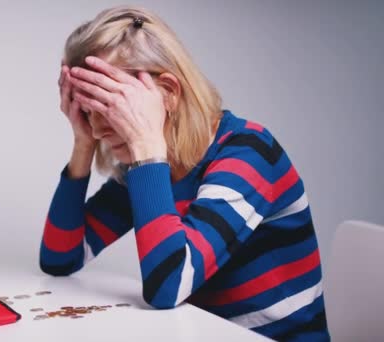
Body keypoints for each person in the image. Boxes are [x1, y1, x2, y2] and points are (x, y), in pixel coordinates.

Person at [39, 5, 329, 341]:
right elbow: (61, 258)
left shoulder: (249, 153)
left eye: (113, 105)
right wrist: (82, 144)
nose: (99, 128)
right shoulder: (148, 170)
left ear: (169, 93)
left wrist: (146, 147)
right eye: (89, 112)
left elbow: (169, 285)